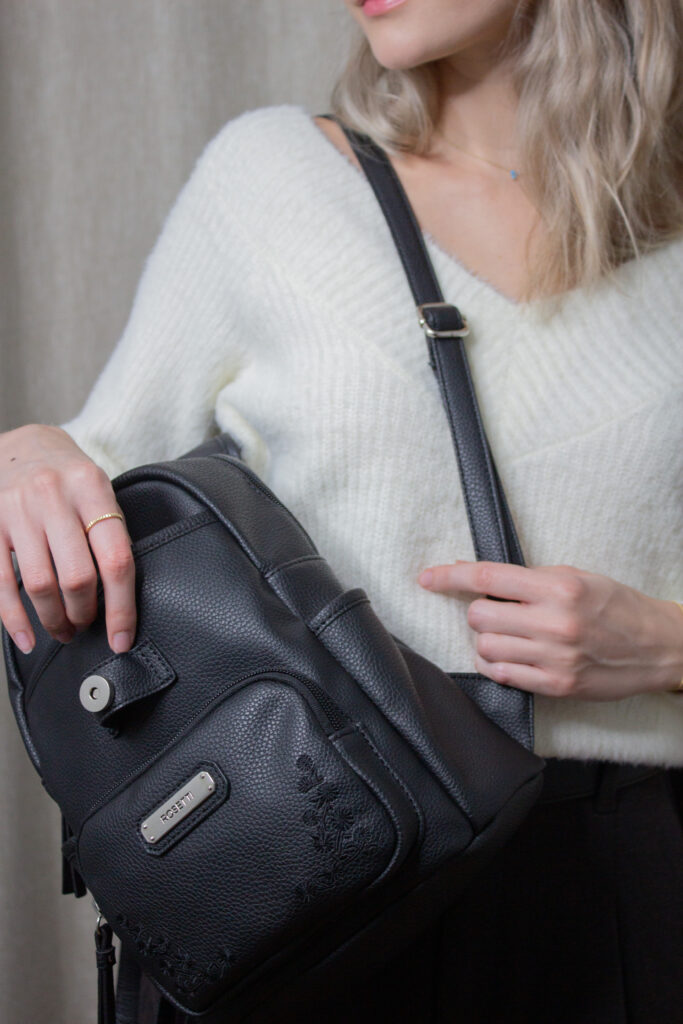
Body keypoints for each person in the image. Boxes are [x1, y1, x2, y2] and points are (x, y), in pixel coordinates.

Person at [1, 1, 681, 1021]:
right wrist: (30, 454)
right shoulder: (272, 180)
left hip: (603, 894)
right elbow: (97, 484)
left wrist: (670, 647)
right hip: (312, 865)